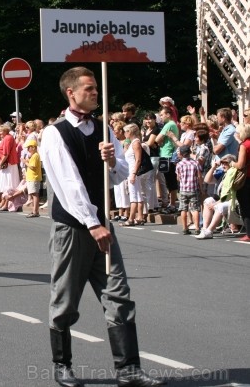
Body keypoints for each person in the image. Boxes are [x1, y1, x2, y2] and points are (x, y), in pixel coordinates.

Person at [40, 67, 165, 387]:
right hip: (73, 228)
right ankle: (62, 364)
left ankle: (128, 369)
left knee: (118, 295)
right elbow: (68, 185)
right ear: (71, 93)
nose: (96, 92)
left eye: (96, 87)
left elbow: (119, 177)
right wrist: (94, 224)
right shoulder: (54, 133)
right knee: (65, 299)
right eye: (89, 88)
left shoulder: (102, 127)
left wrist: (111, 161)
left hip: (101, 225)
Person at [174, 145, 202, 235]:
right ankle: (197, 227)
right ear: (189, 153)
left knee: (183, 209)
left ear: (181, 154)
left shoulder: (179, 164)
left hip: (183, 189)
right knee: (195, 209)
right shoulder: (195, 163)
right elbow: (199, 176)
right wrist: (201, 188)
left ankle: (185, 227)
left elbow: (178, 178)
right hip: (194, 188)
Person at [232, 123, 250, 242]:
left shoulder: (244, 145)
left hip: (246, 178)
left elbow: (240, 164)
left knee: (246, 206)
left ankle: (249, 233)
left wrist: (231, 163)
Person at [24, 139, 42, 218]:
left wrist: (25, 162)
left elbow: (33, 167)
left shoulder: (35, 155)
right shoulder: (33, 156)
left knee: (35, 194)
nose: (28, 149)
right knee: (32, 194)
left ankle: (35, 211)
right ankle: (34, 210)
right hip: (31, 177)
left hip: (34, 177)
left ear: (34, 147)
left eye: (29, 147)